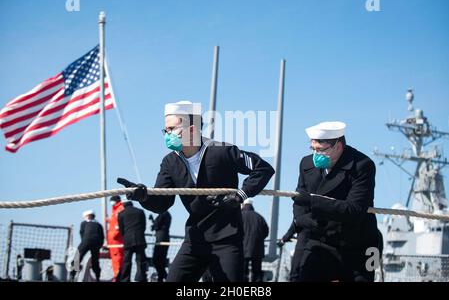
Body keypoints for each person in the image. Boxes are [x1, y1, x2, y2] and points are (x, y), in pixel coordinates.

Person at [118, 101, 274, 282]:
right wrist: (143, 196)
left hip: (227, 240)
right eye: (165, 131)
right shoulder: (169, 162)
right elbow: (163, 202)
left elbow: (263, 169)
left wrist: (240, 195)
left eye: (171, 129)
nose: (167, 135)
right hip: (194, 239)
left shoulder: (222, 150)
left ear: (191, 130)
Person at [291, 121, 382, 282]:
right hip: (320, 239)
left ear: (338, 147)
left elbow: (353, 210)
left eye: (320, 150)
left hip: (360, 246)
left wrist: (313, 201)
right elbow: (299, 204)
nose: (315, 155)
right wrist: (304, 220)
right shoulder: (306, 164)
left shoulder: (362, 166)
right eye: (313, 149)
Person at [118, 201, 148, 282]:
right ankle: (141, 278)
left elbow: (121, 229)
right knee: (141, 260)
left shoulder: (121, 214)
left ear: (124, 205)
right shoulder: (140, 211)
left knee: (126, 261)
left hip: (128, 241)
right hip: (140, 239)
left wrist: (125, 236)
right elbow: (143, 226)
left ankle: (125, 279)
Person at [241, 198, 269, 282]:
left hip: (243, 249)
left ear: (243, 205)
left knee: (242, 272)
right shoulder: (259, 217)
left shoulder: (240, 216)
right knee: (257, 273)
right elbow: (266, 232)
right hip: (257, 249)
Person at [77, 210, 104, 281]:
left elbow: (82, 234)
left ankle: (72, 274)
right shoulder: (99, 225)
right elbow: (102, 237)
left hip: (86, 241)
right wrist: (100, 245)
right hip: (96, 243)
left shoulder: (84, 223)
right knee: (95, 261)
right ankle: (97, 276)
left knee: (77, 257)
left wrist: (83, 243)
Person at [106, 195, 125, 281]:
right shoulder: (115, 209)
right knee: (116, 261)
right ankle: (117, 278)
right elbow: (114, 222)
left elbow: (118, 224)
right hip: (113, 241)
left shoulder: (119, 209)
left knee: (118, 261)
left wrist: (114, 235)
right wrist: (108, 220)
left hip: (116, 241)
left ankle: (117, 279)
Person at [150, 211, 172, 282]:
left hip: (161, 239)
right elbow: (158, 224)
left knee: (156, 260)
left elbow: (156, 225)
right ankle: (163, 277)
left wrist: (153, 223)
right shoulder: (166, 214)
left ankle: (164, 276)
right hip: (163, 238)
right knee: (160, 260)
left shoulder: (163, 213)